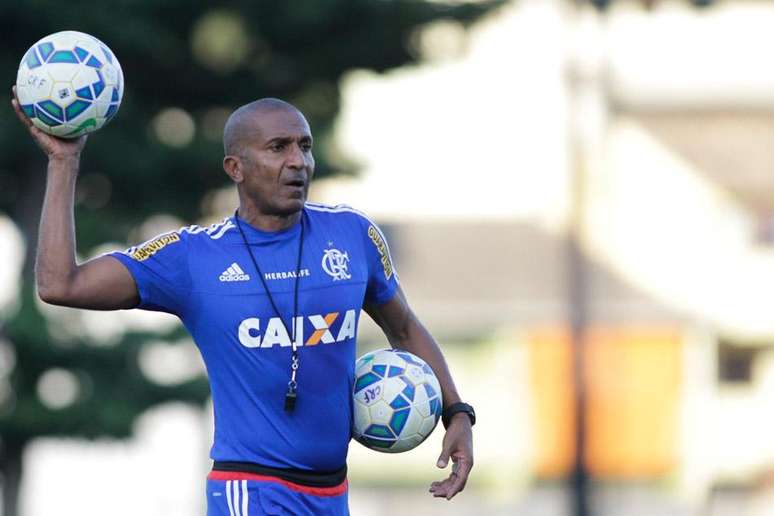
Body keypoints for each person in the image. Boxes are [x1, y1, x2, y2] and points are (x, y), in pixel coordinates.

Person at [11, 89, 475, 515]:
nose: (298, 162)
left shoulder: (352, 235)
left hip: (332, 493)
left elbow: (405, 328)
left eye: (305, 146)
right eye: (278, 148)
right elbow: (60, 285)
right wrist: (64, 162)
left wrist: (456, 411)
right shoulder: (193, 257)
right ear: (235, 168)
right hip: (250, 490)